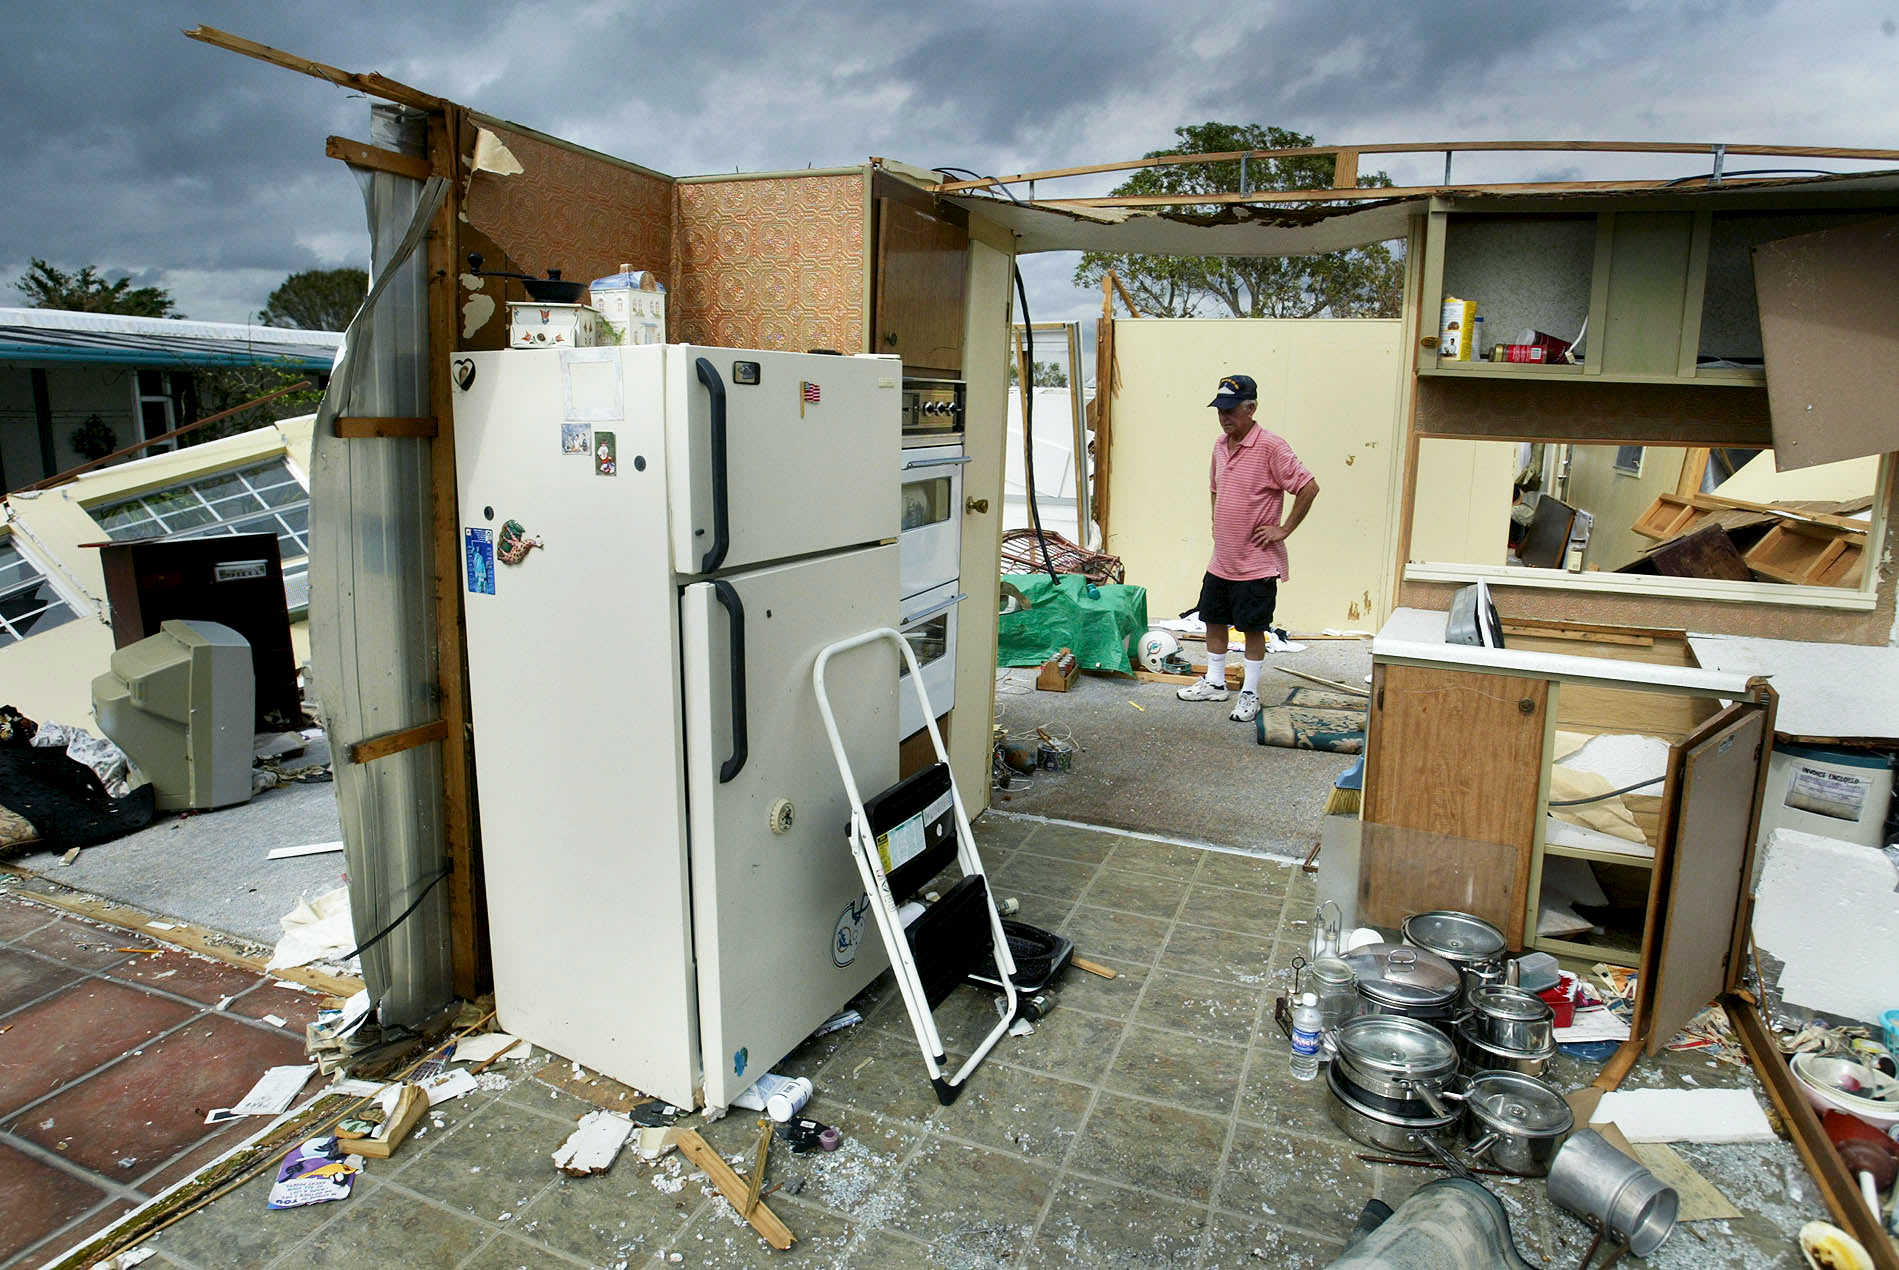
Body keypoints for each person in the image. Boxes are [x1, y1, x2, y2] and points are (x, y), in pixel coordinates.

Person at [1176, 373, 1320, 723]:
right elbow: (1215, 487)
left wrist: (1283, 529)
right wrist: (1216, 520)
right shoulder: (1218, 446)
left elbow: (1308, 487)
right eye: (1219, 410)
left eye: (1230, 410)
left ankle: (1251, 692)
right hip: (1222, 559)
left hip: (1256, 563)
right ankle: (1214, 682)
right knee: (1212, 618)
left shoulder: (1272, 446)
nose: (1224, 417)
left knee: (1253, 627)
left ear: (1251, 408)